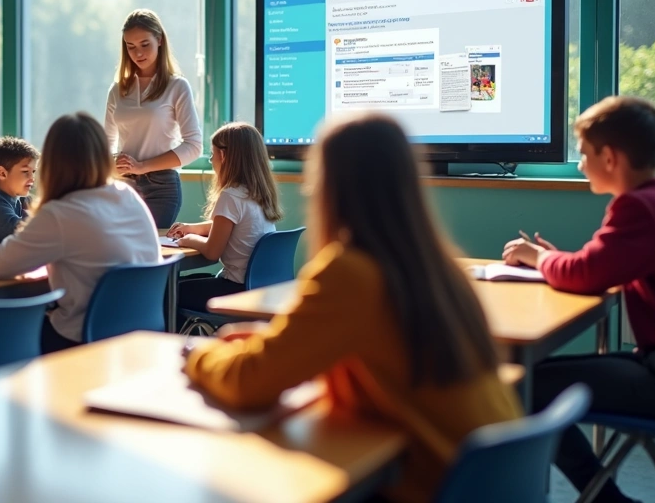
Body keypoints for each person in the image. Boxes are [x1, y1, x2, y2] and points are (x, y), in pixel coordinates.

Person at [186, 113, 520, 503]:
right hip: (492, 480)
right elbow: (378, 356)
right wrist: (277, 345)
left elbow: (248, 383)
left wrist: (199, 352)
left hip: (436, 487)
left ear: (331, 186)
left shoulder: (350, 273)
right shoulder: (440, 268)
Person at [503, 96, 655, 503]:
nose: (579, 165)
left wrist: (539, 258)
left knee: (522, 388)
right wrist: (557, 261)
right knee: (531, 381)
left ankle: (605, 500)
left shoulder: (639, 207)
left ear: (609, 157)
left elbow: (584, 274)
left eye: (583, 154)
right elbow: (598, 268)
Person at [0, 112, 161, 353]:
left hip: (85, 337)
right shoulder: (128, 195)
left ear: (52, 162)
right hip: (141, 333)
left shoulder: (60, 212)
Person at [168, 122, 281, 311]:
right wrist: (193, 227)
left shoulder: (230, 195)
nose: (211, 161)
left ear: (223, 155)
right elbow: (233, 227)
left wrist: (189, 239)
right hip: (258, 286)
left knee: (168, 291)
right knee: (183, 284)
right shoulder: (258, 194)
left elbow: (212, 252)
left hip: (235, 289)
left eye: (212, 154)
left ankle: (182, 339)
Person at [104, 8, 202, 228]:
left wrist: (142, 166)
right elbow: (104, 146)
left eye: (144, 45)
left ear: (159, 40)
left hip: (162, 187)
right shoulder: (117, 90)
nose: (138, 53)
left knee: (150, 254)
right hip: (123, 185)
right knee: (121, 252)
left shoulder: (177, 86)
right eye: (131, 47)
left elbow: (194, 146)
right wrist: (114, 164)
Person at [0, 136, 38, 245]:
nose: (32, 178)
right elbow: (16, 234)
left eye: (33, 171)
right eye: (25, 171)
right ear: (2, 173)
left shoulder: (26, 200)